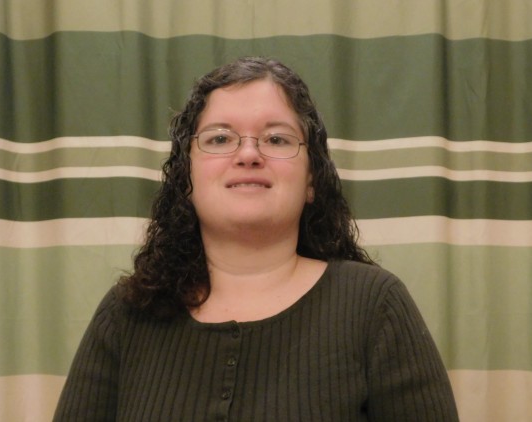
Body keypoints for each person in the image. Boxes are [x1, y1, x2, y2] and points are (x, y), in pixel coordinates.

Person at [54, 56, 459, 421]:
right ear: (187, 178)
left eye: (277, 139)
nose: (248, 154)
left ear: (312, 180)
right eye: (219, 139)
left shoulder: (374, 305)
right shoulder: (127, 315)